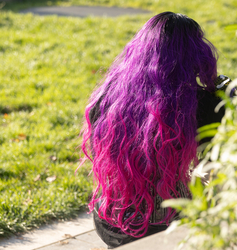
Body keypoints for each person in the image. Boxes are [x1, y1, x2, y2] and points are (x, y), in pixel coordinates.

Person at [80, 12, 225, 248]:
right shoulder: (198, 104)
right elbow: (217, 167)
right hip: (166, 226)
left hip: (110, 221)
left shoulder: (106, 98)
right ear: (195, 55)